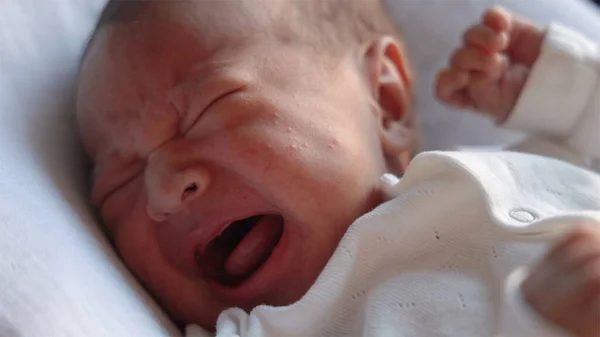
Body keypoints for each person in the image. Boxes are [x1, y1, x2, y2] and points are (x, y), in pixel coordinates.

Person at [76, 0, 600, 335]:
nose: (164, 189)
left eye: (210, 107)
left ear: (387, 102)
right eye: (120, 185)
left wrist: (570, 93)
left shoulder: (528, 165)